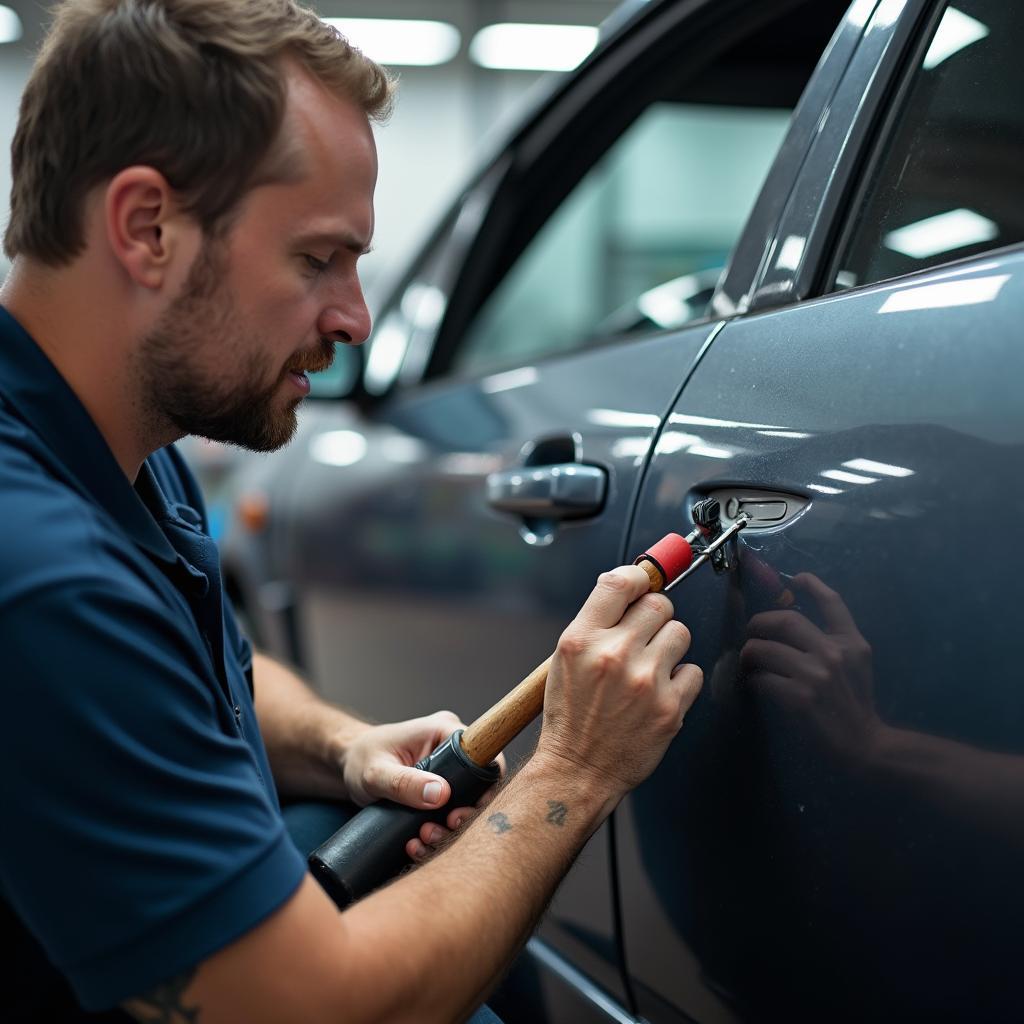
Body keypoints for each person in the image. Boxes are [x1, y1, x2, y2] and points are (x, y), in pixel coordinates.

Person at [0, 2, 704, 1021]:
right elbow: (308, 1010)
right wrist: (573, 775)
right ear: (147, 226)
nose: (354, 318)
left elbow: (205, 674)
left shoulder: (114, 444)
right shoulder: (41, 572)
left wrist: (342, 745)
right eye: (318, 258)